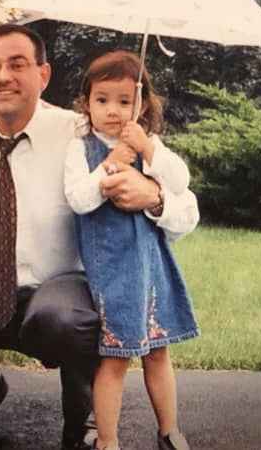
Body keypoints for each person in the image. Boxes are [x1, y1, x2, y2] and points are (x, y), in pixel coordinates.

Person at [0, 23, 199, 450]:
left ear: (43, 75)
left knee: (65, 318)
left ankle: (83, 420)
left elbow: (187, 210)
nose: (3, 76)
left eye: (17, 64)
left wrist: (154, 196)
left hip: (63, 289)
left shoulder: (83, 133)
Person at [64, 50, 199, 450]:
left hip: (152, 264)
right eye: (102, 99)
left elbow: (180, 181)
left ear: (141, 105)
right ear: (87, 103)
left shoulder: (148, 143)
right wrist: (112, 162)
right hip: (113, 271)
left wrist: (148, 150)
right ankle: (108, 441)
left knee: (158, 352)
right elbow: (80, 200)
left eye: (125, 101)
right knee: (116, 357)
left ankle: (169, 430)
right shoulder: (81, 148)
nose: (113, 110)